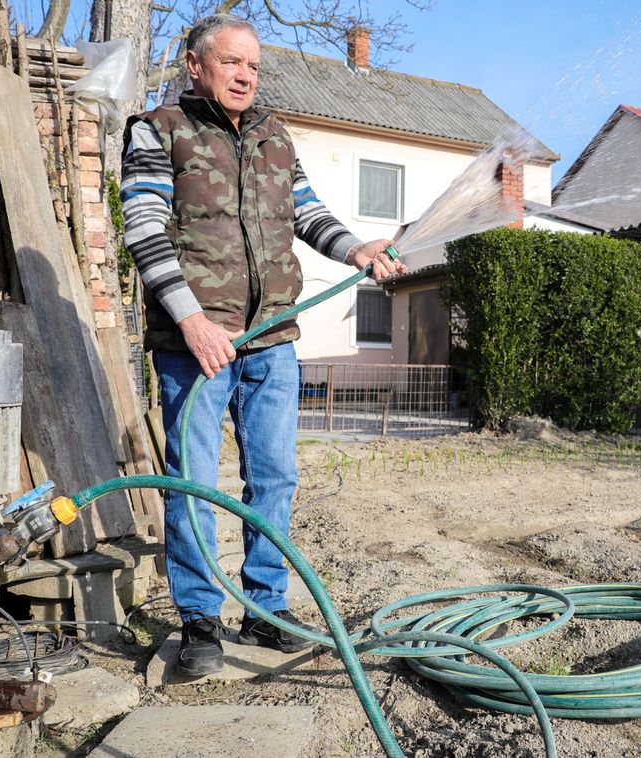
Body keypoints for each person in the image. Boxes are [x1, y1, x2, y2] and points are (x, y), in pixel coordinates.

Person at [120, 13, 406, 676]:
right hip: (196, 343)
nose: (245, 75)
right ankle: (199, 622)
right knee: (193, 483)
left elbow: (306, 213)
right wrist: (192, 320)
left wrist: (357, 249)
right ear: (195, 65)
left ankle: (264, 610)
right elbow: (142, 227)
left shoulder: (274, 135)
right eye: (231, 62)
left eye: (253, 65)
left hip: (272, 337)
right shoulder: (159, 130)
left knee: (274, 478)